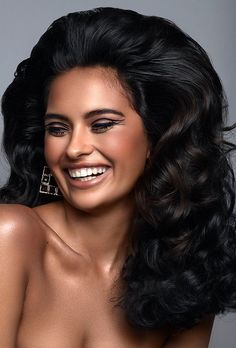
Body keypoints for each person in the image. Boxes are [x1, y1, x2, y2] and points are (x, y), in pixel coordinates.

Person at [0, 7, 235, 348]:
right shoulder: (10, 236)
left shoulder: (186, 274)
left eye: (102, 124)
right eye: (58, 128)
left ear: (157, 136)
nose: (74, 148)